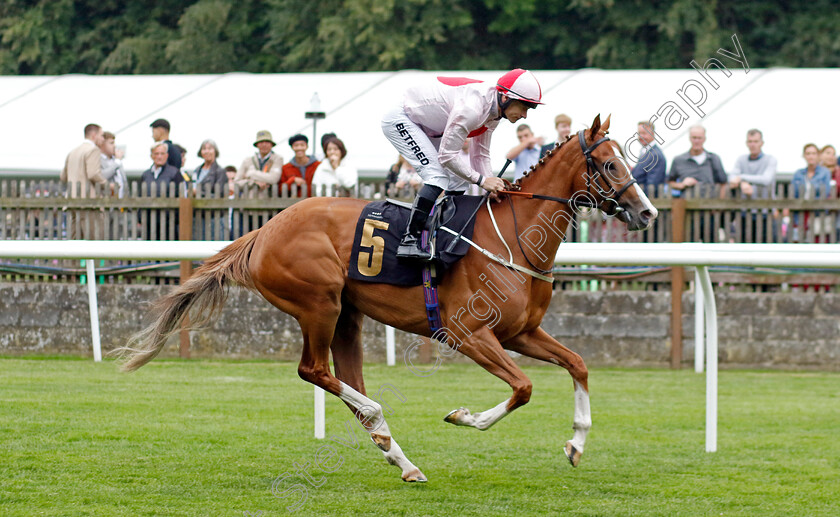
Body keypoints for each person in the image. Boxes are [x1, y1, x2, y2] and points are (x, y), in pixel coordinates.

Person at [381, 68, 543, 260]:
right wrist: (483, 181)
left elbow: (480, 154)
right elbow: (447, 157)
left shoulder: (494, 111)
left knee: (459, 181)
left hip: (430, 127)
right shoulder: (472, 109)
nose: (525, 115)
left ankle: (442, 234)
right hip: (403, 119)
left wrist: (490, 184)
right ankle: (408, 241)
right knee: (437, 176)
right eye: (524, 106)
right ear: (506, 97)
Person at [61, 123, 106, 239]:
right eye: (101, 135)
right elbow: (93, 173)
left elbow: (63, 177)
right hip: (88, 202)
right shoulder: (93, 150)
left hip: (71, 202)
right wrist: (107, 185)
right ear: (93, 135)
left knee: (74, 243)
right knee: (93, 241)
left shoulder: (73, 152)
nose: (103, 139)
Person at [667, 125, 727, 197]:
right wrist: (682, 185)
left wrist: (719, 206)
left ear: (704, 139)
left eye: (699, 138)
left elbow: (723, 184)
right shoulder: (678, 160)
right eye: (694, 138)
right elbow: (670, 182)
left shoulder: (714, 159)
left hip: (710, 205)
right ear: (690, 138)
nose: (697, 141)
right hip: (687, 204)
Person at [728, 129, 777, 197]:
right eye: (750, 141)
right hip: (744, 206)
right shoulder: (741, 159)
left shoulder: (771, 159)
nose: (752, 144)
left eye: (756, 141)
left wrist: (741, 178)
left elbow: (766, 179)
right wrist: (742, 183)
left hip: (766, 205)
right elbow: (732, 178)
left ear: (762, 143)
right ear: (746, 143)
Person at [631, 121, 667, 189]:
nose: (641, 136)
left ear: (653, 134)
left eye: (644, 133)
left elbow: (653, 184)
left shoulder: (656, 155)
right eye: (639, 133)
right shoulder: (644, 152)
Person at [99, 131, 128, 198]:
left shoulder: (116, 160)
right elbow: (102, 176)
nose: (114, 146)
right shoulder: (98, 160)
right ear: (102, 144)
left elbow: (124, 181)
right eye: (111, 143)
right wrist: (117, 162)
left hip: (122, 204)